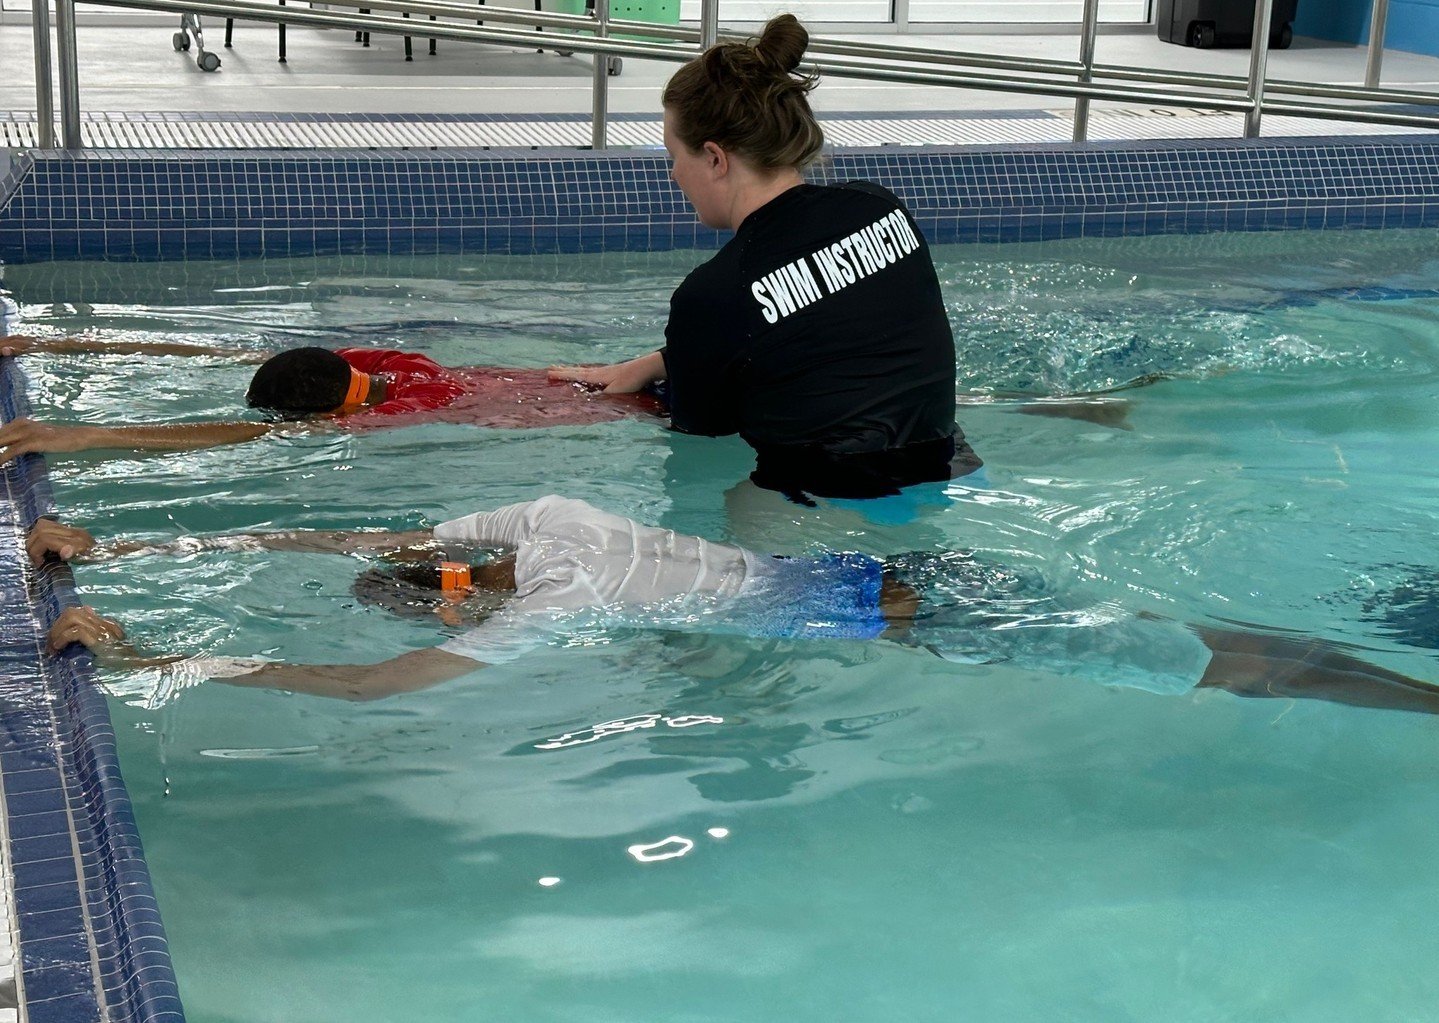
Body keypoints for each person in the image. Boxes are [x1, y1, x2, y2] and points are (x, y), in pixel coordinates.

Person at [35, 502, 1439, 712]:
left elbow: (381, 682)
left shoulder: (533, 614)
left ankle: (1416, 689)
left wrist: (174, 651)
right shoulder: (545, 522)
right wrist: (134, 539)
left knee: (1227, 666)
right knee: (1212, 636)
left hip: (919, 621)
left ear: (460, 606)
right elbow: (356, 532)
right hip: (930, 576)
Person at [549, 14, 980, 503]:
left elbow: (700, 452)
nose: (672, 175)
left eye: (674, 155)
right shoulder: (880, 209)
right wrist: (667, 360)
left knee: (728, 510)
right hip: (950, 466)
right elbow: (826, 324)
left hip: (825, 508)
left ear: (715, 158)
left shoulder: (712, 295)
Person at [0, 335, 664, 464]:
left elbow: (237, 436)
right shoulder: (397, 366)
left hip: (636, 411)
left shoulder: (395, 416)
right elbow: (229, 353)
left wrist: (76, 434)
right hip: (600, 380)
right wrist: (61, 346)